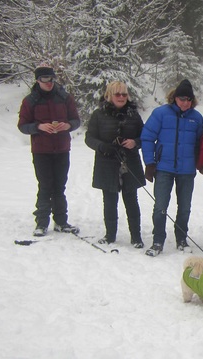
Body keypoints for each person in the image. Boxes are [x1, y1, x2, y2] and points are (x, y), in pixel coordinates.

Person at [141, 79, 203, 257]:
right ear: (174, 98)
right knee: (160, 206)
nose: (185, 102)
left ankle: (181, 238)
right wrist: (150, 162)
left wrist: (201, 163)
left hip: (187, 170)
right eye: (181, 98)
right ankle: (158, 240)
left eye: (188, 99)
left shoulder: (197, 118)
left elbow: (201, 143)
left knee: (184, 207)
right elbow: (147, 138)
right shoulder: (161, 113)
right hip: (164, 168)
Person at [18, 64, 81, 237]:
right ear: (38, 81)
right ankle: (41, 223)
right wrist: (39, 127)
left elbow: (76, 120)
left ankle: (61, 222)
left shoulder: (64, 97)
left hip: (62, 149)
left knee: (60, 186)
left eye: (51, 79)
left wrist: (67, 125)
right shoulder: (30, 100)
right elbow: (22, 126)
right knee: (45, 186)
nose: (49, 83)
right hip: (41, 151)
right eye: (45, 80)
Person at [85, 81, 145, 248]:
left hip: (130, 162)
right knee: (109, 201)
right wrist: (102, 146)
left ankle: (136, 237)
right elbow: (89, 138)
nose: (121, 97)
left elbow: (144, 136)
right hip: (107, 162)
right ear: (109, 95)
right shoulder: (98, 114)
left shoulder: (134, 115)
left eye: (124, 94)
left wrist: (135, 142)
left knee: (131, 200)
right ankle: (110, 235)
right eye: (117, 94)